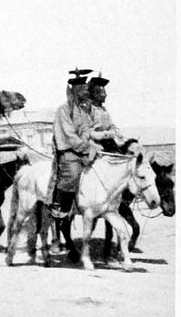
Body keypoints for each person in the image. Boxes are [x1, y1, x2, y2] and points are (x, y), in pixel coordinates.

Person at [50, 72, 102, 219]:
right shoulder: (63, 110)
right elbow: (69, 136)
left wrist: (92, 146)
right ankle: (59, 206)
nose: (87, 92)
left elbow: (86, 131)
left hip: (81, 150)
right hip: (68, 151)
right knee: (72, 174)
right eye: (84, 90)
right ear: (77, 91)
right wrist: (86, 148)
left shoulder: (82, 111)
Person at [87, 73, 130, 153]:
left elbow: (111, 126)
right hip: (97, 143)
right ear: (94, 94)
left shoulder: (103, 110)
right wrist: (104, 134)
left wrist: (113, 133)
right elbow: (88, 131)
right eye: (101, 92)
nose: (105, 95)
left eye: (104, 92)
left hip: (109, 139)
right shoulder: (89, 110)